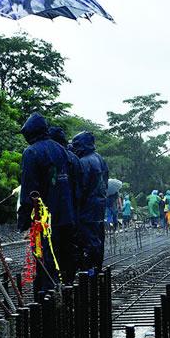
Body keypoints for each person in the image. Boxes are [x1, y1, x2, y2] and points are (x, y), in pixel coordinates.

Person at [18, 113, 77, 297]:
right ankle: (65, 292)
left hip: (44, 219)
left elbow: (30, 190)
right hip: (66, 215)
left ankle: (46, 299)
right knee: (62, 258)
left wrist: (23, 218)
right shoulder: (62, 151)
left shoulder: (32, 152)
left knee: (44, 261)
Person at [49, 126, 82, 283]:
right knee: (69, 248)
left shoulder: (51, 157)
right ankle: (68, 280)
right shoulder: (73, 158)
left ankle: (58, 280)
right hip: (73, 212)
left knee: (55, 249)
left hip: (54, 214)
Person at [71, 131, 108, 273]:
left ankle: (90, 269)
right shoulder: (99, 158)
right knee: (98, 237)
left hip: (88, 206)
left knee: (88, 238)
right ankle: (97, 266)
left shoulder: (84, 162)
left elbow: (81, 188)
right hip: (99, 203)